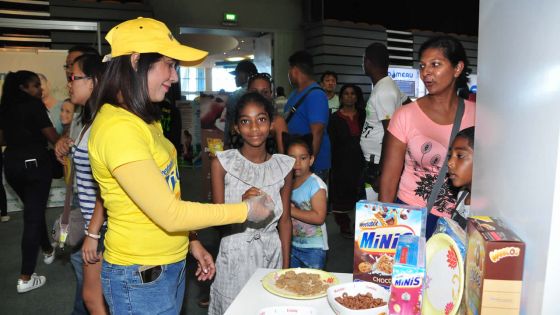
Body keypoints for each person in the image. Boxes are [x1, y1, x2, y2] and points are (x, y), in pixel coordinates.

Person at [87, 17, 274, 314]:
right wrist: (247, 210)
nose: (174, 77)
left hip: (165, 265)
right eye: (169, 64)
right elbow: (171, 214)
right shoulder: (118, 129)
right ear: (136, 61)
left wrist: (191, 243)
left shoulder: (146, 119)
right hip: (140, 274)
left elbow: (166, 195)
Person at [379, 35, 476, 238]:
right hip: (409, 216)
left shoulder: (477, 115)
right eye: (423, 66)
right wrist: (384, 228)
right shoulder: (405, 115)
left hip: (457, 219)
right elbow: (389, 178)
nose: (426, 73)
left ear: (457, 68)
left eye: (436, 64)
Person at [209, 92, 294, 314]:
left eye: (261, 119)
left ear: (271, 123)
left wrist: (285, 269)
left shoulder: (283, 167)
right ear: (236, 127)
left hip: (271, 252)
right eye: (246, 121)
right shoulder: (222, 164)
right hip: (235, 252)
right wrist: (241, 206)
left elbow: (284, 222)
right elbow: (217, 222)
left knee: (267, 308)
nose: (254, 128)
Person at [55, 53, 108, 314]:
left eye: (73, 77)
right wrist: (64, 144)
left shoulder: (104, 123)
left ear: (93, 81)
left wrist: (93, 233)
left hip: (103, 228)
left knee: (95, 298)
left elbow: (107, 187)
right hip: (93, 222)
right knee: (93, 296)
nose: (69, 83)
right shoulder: (89, 118)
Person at [0, 70, 59, 293]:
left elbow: (2, 139)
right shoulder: (34, 105)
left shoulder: (5, 107)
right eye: (35, 85)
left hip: (12, 166)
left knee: (34, 212)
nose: (40, 89)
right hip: (35, 165)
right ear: (23, 87)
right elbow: (52, 137)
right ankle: (25, 277)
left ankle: (47, 249)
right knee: (32, 217)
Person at [360, 43, 409, 199]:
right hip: (376, 160)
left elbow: (390, 132)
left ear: (368, 62)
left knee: (376, 214)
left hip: (378, 163)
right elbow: (410, 104)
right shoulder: (387, 85)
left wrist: (383, 172)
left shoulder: (384, 90)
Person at [285, 50, 331, 183]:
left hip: (312, 165)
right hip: (298, 162)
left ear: (294, 70)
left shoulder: (315, 94)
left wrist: (309, 164)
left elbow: (317, 132)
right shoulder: (295, 93)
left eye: (289, 70)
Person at [328, 84, 366, 238]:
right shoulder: (335, 118)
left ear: (357, 97)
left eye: (352, 94)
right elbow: (331, 142)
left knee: (362, 194)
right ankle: (344, 226)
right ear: (341, 97)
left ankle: (363, 226)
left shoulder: (364, 115)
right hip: (341, 162)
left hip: (362, 161)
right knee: (342, 195)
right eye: (346, 94)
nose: (349, 96)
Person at [285, 134, 328, 269]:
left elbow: (319, 217)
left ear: (311, 160)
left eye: (303, 158)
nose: (297, 163)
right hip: (292, 244)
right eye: (292, 159)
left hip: (314, 248)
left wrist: (289, 209)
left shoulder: (316, 185)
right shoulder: (287, 183)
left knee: (312, 285)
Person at [247, 72, 288, 153]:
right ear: (247, 93)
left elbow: (285, 158)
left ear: (271, 94)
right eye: (255, 92)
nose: (260, 96)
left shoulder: (277, 122)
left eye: (265, 92)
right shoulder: (238, 119)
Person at [224, 60, 258, 147]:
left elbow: (230, 122)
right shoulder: (263, 93)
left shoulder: (235, 96)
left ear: (248, 75)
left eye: (238, 74)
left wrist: (226, 143)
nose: (235, 78)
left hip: (238, 141)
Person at [447, 126, 475, 225]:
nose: (450, 163)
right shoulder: (462, 195)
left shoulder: (489, 209)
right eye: (450, 156)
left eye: (460, 156)